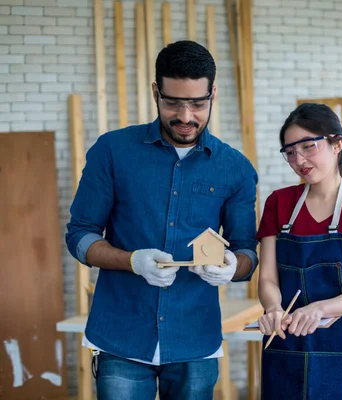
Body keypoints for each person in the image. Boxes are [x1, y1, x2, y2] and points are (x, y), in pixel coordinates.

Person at [65, 40, 258, 400]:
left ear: (213, 93)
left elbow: (247, 251)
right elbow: (79, 235)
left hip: (195, 340)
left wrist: (233, 266)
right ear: (156, 92)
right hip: (121, 335)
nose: (185, 116)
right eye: (173, 102)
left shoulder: (235, 168)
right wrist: (131, 261)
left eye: (198, 103)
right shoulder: (112, 151)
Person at [256, 103, 342, 399]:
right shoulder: (278, 203)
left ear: (337, 143)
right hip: (286, 345)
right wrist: (274, 308)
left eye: (308, 146)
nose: (298, 159)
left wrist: (318, 309)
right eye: (290, 151)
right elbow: (267, 279)